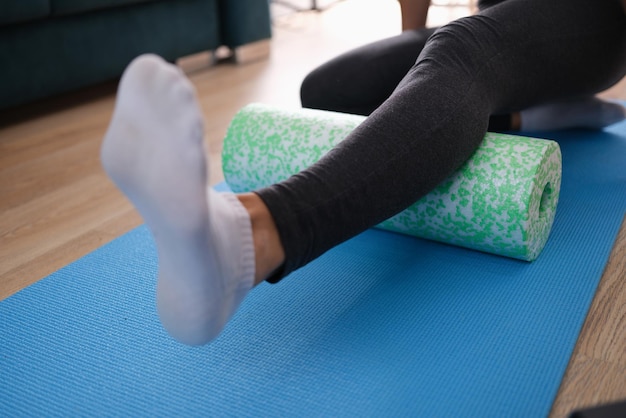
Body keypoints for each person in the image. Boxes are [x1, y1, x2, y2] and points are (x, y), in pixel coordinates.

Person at [101, 0, 626, 346]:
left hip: (596, 21)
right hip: (502, 20)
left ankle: (252, 237)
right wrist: (417, 59)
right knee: (331, 90)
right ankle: (532, 114)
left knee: (464, 51)